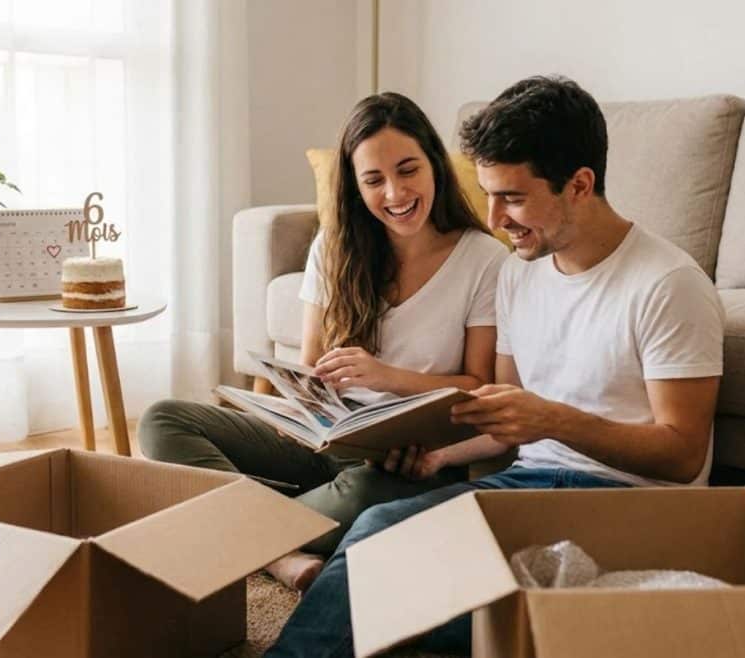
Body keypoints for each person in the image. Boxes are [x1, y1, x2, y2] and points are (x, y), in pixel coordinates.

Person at [266, 75, 726, 657]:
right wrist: (438, 453)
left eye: (511, 196)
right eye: (488, 194)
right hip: (529, 488)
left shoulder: (668, 284)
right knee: (383, 547)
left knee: (387, 554)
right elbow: (500, 413)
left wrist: (553, 421)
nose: (494, 217)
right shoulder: (519, 274)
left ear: (579, 185)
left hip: (629, 506)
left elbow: (684, 455)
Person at [137, 92, 509, 590]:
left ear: (434, 165)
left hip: (401, 461)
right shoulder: (336, 248)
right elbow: (310, 367)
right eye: (374, 180)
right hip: (328, 441)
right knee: (163, 419)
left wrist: (387, 378)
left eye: (408, 170)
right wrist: (295, 412)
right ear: (356, 187)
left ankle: (235, 525)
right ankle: (280, 550)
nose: (395, 193)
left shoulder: (482, 257)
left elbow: (478, 384)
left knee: (364, 498)